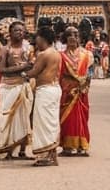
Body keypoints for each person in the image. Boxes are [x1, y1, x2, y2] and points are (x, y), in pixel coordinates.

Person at [0, 20, 34, 160]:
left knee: (24, 119)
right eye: (17, 30)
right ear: (10, 33)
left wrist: (27, 68)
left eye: (22, 31)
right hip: (8, 87)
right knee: (8, 119)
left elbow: (32, 67)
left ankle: (22, 151)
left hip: (23, 86)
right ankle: (8, 150)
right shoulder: (5, 50)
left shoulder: (28, 50)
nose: (20, 33)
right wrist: (21, 68)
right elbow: (1, 70)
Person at [26, 27, 62, 166]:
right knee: (51, 122)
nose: (36, 41)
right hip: (55, 88)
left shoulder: (44, 54)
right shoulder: (56, 53)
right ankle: (52, 154)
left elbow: (35, 72)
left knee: (42, 123)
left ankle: (44, 155)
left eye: (37, 38)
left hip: (45, 90)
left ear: (42, 38)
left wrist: (24, 73)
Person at [59, 26, 92, 157]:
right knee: (67, 119)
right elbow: (59, 75)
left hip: (81, 91)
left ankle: (82, 146)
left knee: (82, 117)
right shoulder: (60, 56)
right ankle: (68, 146)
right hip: (67, 91)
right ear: (65, 38)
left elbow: (89, 73)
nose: (73, 37)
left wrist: (85, 85)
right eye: (69, 35)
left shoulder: (87, 55)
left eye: (75, 35)